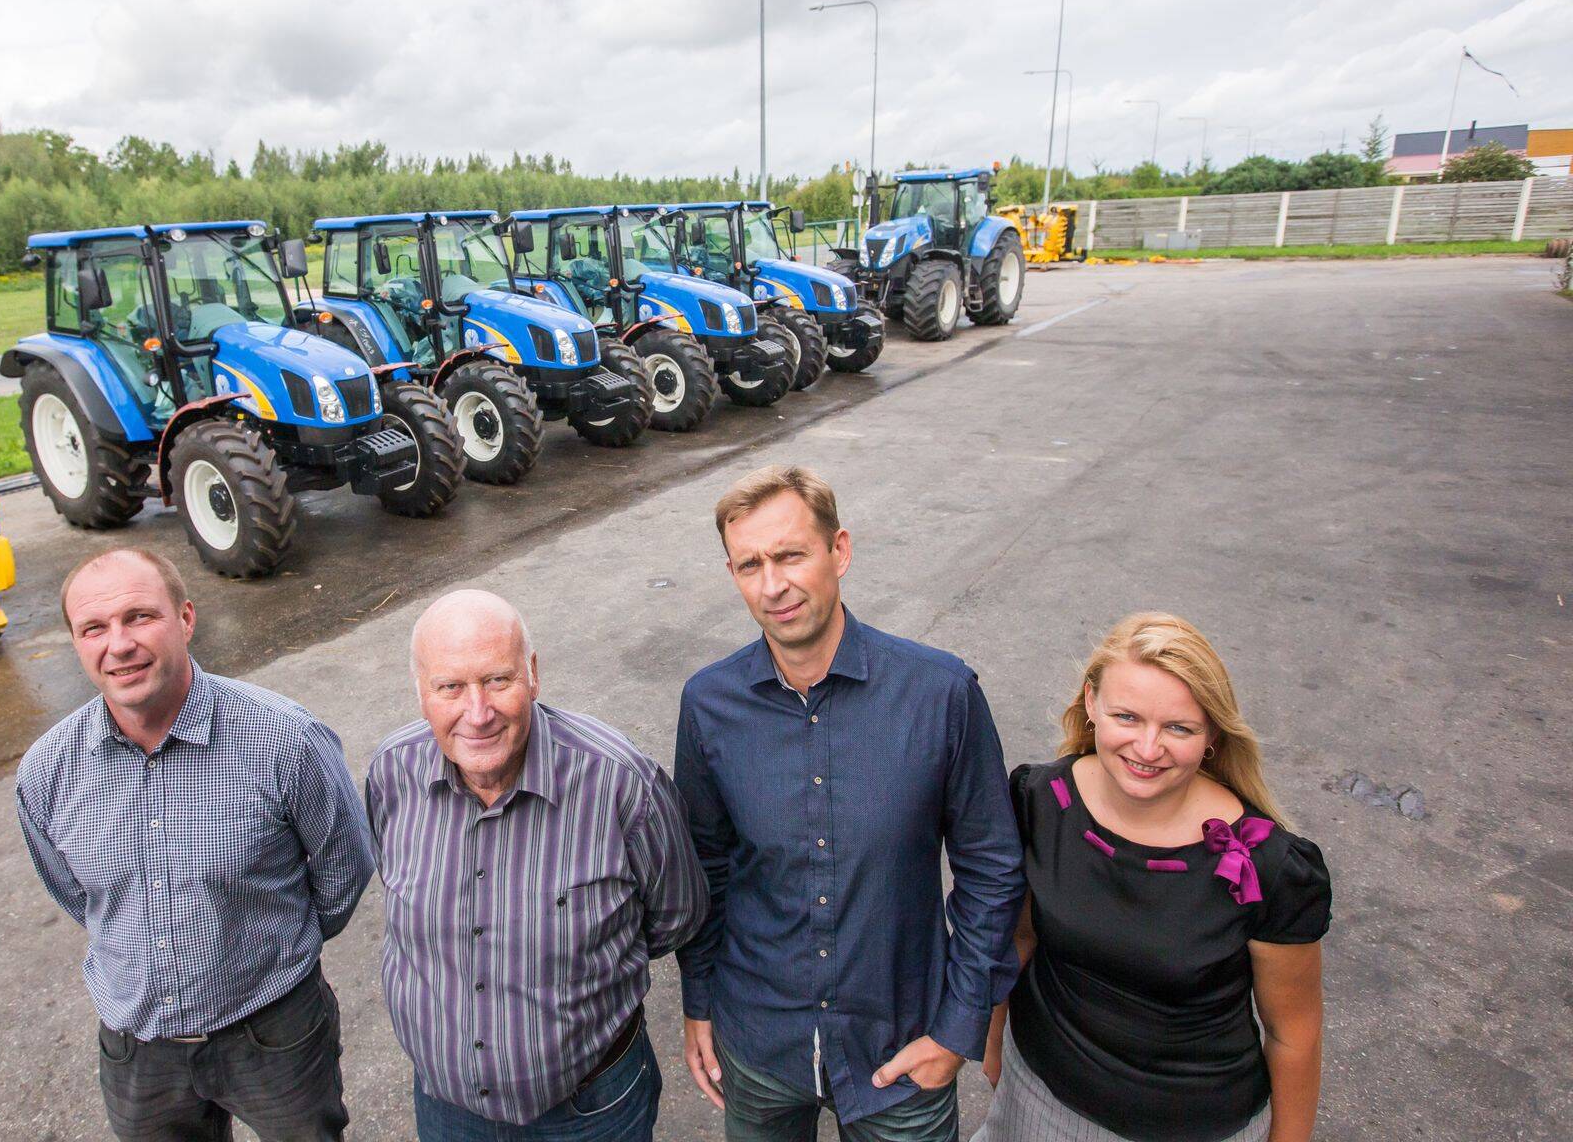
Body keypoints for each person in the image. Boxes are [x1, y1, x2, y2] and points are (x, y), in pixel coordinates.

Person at [675, 465, 1026, 1141]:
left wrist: (959, 1026)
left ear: (839, 551)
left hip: (900, 1049)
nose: (772, 584)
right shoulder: (708, 704)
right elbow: (705, 869)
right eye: (750, 564)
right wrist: (699, 1001)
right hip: (759, 1047)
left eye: (790, 555)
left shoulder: (940, 693)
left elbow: (991, 868)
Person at [15, 547, 374, 1142]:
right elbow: (79, 896)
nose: (119, 644)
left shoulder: (285, 739)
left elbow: (343, 871)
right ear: (76, 642)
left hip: (274, 1032)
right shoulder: (47, 771)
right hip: (139, 1051)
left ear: (185, 618)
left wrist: (273, 948)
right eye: (94, 628)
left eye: (139, 617)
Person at [364, 588, 709, 1141]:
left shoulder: (621, 785)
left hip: (592, 1113)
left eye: (498, 680)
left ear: (533, 675)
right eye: (450, 687)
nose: (477, 713)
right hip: (448, 1111)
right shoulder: (392, 773)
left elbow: (677, 915)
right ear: (421, 694)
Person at [976, 612, 1331, 1142]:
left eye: (1178, 728)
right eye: (1127, 717)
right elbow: (1020, 936)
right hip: (1038, 1098)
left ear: (1212, 732)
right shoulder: (1039, 800)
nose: (1147, 749)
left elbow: (1292, 1032)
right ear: (1091, 704)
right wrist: (994, 1035)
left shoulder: (1270, 865)